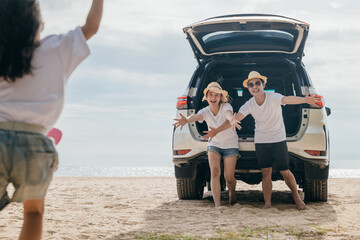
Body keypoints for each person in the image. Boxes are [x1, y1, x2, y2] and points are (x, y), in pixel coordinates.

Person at [0, 0, 103, 239]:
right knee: (34, 213)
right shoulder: (57, 47)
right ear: (37, 23)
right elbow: (91, 26)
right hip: (35, 144)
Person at [206, 71, 322, 210]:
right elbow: (233, 120)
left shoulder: (273, 97)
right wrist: (216, 131)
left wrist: (304, 100)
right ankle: (267, 204)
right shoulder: (249, 104)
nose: (254, 87)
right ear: (248, 88)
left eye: (257, 83)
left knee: (285, 171)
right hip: (261, 141)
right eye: (251, 85)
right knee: (265, 172)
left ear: (263, 84)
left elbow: (287, 99)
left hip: (278, 139)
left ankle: (297, 199)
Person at [173, 82, 240, 207]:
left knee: (229, 177)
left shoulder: (226, 106)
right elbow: (197, 116)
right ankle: (217, 204)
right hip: (214, 143)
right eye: (211, 94)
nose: (213, 97)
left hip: (230, 144)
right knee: (214, 172)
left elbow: (228, 115)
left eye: (216, 95)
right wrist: (186, 120)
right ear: (207, 97)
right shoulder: (205, 111)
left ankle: (232, 192)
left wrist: (232, 119)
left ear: (221, 97)